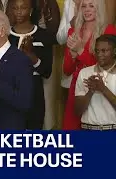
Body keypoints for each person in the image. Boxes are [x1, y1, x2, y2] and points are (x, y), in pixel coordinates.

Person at [63, 0, 116, 130]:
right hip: (78, 86)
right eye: (84, 6)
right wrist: (73, 55)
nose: (87, 9)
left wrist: (80, 51)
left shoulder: (109, 30)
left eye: (91, 6)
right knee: (72, 133)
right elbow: (67, 70)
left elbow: (104, 66)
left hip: (103, 86)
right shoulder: (73, 32)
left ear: (99, 9)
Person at [9, 0, 53, 129]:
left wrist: (31, 57)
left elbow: (47, 72)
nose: (19, 11)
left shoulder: (43, 35)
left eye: (23, 8)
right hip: (9, 90)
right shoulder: (5, 36)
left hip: (34, 91)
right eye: (15, 8)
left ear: (31, 10)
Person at [75, 34, 116, 130]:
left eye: (104, 51)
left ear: (114, 52)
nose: (99, 54)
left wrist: (103, 89)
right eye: (97, 51)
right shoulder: (85, 73)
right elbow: (77, 111)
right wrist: (91, 91)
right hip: (88, 130)